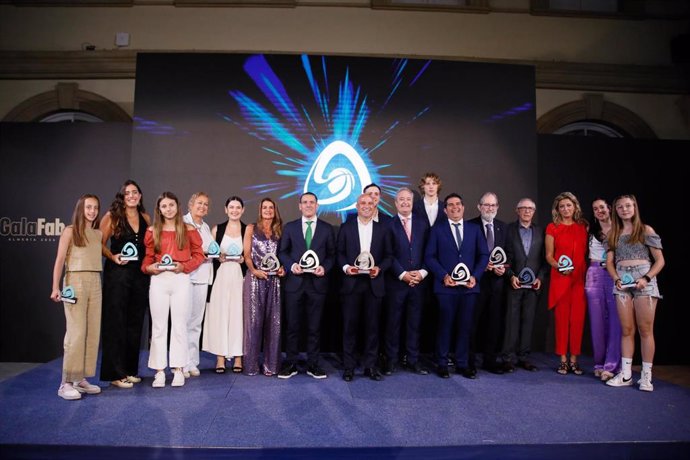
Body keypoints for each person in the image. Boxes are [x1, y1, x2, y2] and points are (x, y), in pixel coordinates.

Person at [142, 191, 204, 388]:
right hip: (159, 281)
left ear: (178, 207)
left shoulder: (188, 229)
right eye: (164, 206)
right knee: (159, 327)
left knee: (179, 325)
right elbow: (148, 257)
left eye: (171, 205)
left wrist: (183, 267)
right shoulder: (152, 231)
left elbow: (198, 255)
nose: (168, 209)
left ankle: (178, 369)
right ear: (159, 209)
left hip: (181, 280)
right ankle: (159, 371)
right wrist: (147, 268)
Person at [425, 193, 489, 379]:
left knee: (465, 326)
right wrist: (443, 276)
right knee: (445, 325)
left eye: (458, 204)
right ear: (445, 210)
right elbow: (430, 256)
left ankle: (462, 364)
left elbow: (484, 255)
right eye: (450, 205)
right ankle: (442, 363)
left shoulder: (475, 229)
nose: (455, 208)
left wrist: (475, 276)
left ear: (463, 207)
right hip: (445, 288)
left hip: (469, 288)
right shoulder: (437, 230)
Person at [605, 194, 664, 392]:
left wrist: (646, 278)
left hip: (643, 279)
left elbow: (660, 261)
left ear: (635, 207)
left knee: (645, 330)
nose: (624, 209)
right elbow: (609, 263)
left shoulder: (646, 230)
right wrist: (616, 279)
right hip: (622, 280)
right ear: (616, 211)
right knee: (627, 330)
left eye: (628, 205)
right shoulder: (613, 233)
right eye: (620, 207)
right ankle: (627, 375)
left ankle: (646, 377)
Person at [50, 194, 103, 400]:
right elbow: (60, 259)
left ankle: (81, 378)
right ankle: (65, 382)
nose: (92, 211)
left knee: (92, 331)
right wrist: (56, 286)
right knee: (76, 332)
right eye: (88, 207)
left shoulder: (97, 233)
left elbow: (100, 252)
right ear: (81, 209)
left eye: (95, 208)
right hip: (75, 282)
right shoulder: (70, 231)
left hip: (95, 282)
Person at [99, 180, 151, 389]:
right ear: (122, 196)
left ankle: (129, 370)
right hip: (118, 275)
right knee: (116, 323)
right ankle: (114, 373)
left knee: (135, 322)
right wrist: (112, 256)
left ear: (140, 195)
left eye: (135, 192)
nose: (132, 196)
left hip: (139, 276)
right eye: (127, 193)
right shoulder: (112, 217)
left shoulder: (146, 217)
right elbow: (99, 243)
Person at [278, 192, 335, 379]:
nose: (308, 205)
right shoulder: (290, 227)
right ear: (299, 206)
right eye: (305, 202)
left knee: (314, 327)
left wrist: (324, 268)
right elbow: (283, 252)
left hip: (317, 285)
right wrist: (291, 265)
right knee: (292, 327)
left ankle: (313, 364)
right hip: (294, 284)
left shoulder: (327, 229)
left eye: (312, 202)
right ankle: (291, 363)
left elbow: (331, 255)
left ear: (317, 206)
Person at [337, 193, 392, 382]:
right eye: (363, 203)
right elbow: (340, 253)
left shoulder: (383, 229)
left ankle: (370, 366)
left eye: (370, 203)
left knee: (373, 328)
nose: (367, 206)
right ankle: (349, 367)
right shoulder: (346, 227)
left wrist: (380, 268)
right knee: (349, 328)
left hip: (373, 284)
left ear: (375, 205)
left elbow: (389, 256)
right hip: (351, 284)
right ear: (357, 206)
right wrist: (346, 268)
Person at [382, 187, 430, 376]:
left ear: (412, 202)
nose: (404, 203)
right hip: (396, 283)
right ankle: (391, 360)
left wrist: (422, 273)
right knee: (393, 324)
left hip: (418, 283)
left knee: (414, 323)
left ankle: (413, 360)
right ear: (395, 203)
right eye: (401, 200)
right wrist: (402, 274)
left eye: (408, 200)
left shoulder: (423, 224)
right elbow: (387, 254)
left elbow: (429, 251)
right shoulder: (388, 225)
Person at [501, 198, 547, 372]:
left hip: (533, 287)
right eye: (523, 208)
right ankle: (508, 358)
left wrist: (540, 278)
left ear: (533, 212)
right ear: (517, 210)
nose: (527, 211)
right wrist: (510, 275)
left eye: (530, 209)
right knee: (511, 322)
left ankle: (523, 357)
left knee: (528, 321)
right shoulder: (508, 231)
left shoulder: (541, 232)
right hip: (513, 284)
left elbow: (544, 260)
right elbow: (503, 257)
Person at [545, 191, 588, 375]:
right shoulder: (552, 227)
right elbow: (549, 255)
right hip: (561, 278)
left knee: (577, 320)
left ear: (575, 207)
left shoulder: (582, 227)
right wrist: (560, 267)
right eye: (561, 206)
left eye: (568, 205)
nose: (565, 209)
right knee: (562, 320)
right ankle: (562, 360)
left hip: (579, 280)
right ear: (557, 209)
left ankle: (574, 360)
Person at [203, 196, 247, 374]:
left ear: (242, 210)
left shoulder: (247, 229)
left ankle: (238, 357)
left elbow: (251, 256)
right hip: (221, 277)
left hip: (239, 278)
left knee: (239, 316)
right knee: (220, 316)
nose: (234, 210)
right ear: (225, 209)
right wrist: (217, 257)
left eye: (238, 207)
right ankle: (220, 358)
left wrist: (244, 260)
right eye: (231, 207)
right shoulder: (217, 229)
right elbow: (209, 253)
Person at [242, 197, 285, 376]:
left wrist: (282, 269)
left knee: (273, 324)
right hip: (255, 280)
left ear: (275, 210)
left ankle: (271, 366)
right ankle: (251, 365)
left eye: (271, 207)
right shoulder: (251, 228)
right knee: (253, 324)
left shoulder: (280, 230)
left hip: (275, 281)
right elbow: (247, 255)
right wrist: (254, 271)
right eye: (264, 207)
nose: (267, 210)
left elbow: (284, 254)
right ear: (260, 210)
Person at [468, 192, 508, 375]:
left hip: (497, 283)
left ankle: (490, 360)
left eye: (493, 205)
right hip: (476, 282)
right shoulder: (470, 226)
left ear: (497, 207)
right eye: (486, 205)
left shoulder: (503, 228)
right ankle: (469, 360)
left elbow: (509, 256)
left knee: (493, 323)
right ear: (479, 206)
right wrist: (481, 266)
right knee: (472, 322)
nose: (489, 208)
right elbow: (465, 254)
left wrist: (504, 268)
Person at [586, 198, 621, 381]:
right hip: (594, 273)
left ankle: (612, 365)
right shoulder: (590, 230)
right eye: (595, 209)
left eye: (602, 207)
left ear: (609, 208)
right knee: (597, 320)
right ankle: (599, 363)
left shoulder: (620, 228)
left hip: (614, 273)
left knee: (616, 320)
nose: (599, 210)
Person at [182, 192, 214, 378]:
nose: (202, 207)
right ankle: (182, 362)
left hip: (202, 277)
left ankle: (192, 361)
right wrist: (203, 253)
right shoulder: (183, 224)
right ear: (191, 204)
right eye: (199, 203)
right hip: (187, 277)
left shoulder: (206, 226)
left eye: (205, 204)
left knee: (195, 323)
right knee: (183, 322)